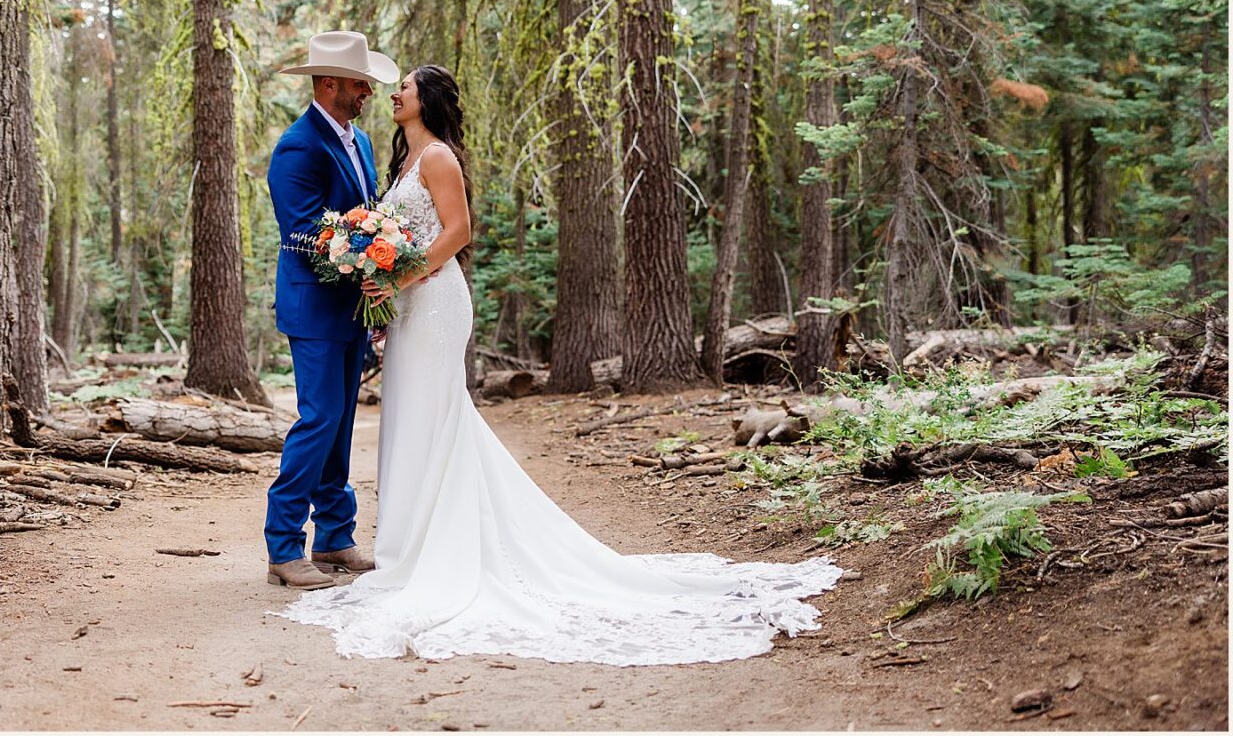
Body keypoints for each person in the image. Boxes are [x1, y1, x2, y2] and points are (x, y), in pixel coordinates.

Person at [278, 64, 844, 665]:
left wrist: (403, 273)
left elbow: (459, 230)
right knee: (413, 422)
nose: (388, 93)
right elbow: (365, 229)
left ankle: (427, 549)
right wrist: (383, 275)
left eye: (404, 88)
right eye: (376, 86)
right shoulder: (389, 159)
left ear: (429, 101)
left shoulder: (438, 158)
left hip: (435, 304)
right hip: (407, 304)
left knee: (433, 417)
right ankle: (406, 544)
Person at [264, 31, 398, 590]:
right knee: (318, 419)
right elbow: (299, 229)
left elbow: (362, 209)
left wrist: (376, 253)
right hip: (314, 305)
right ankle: (283, 546)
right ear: (328, 84)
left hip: (351, 305)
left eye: (368, 82)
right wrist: (361, 245)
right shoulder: (298, 146)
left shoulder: (361, 142)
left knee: (341, 424)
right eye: (359, 82)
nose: (368, 90)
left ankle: (336, 537)